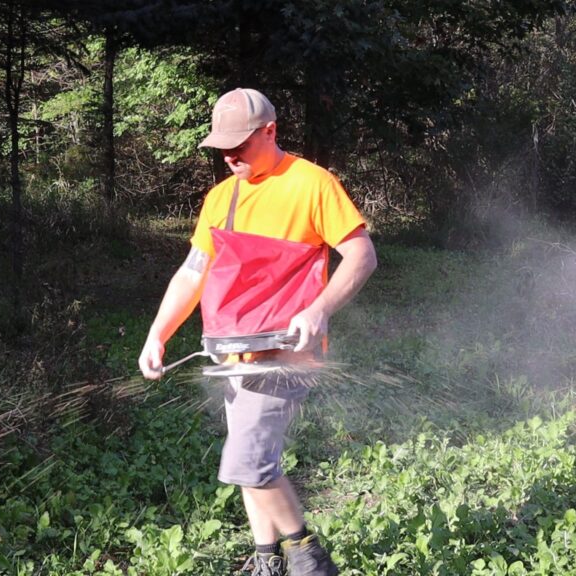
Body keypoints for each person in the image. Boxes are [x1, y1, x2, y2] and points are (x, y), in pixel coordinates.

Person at [138, 88, 377, 576]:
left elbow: (362, 255)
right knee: (255, 460)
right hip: (231, 352)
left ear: (270, 131)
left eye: (240, 145)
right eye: (222, 147)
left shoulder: (312, 184)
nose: (230, 156)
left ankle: (308, 556)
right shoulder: (220, 197)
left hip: (285, 353)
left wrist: (319, 310)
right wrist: (157, 334)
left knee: (247, 460)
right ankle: (268, 561)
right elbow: (193, 270)